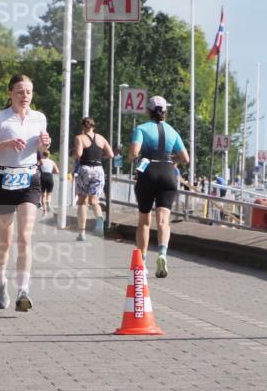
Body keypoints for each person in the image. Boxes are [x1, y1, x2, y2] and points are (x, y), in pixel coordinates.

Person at [0, 75, 51, 312]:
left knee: (25, 238)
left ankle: (23, 290)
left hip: (29, 180)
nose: (25, 96)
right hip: (3, 180)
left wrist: (45, 144)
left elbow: (42, 150)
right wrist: (5, 144)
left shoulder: (39, 118)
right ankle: (0, 281)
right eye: (20, 91)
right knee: (5, 239)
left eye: (28, 91)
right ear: (10, 94)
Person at [129, 95, 190, 278]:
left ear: (148, 111)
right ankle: (162, 254)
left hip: (148, 171)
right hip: (168, 173)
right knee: (163, 220)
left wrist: (134, 157)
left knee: (144, 220)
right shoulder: (172, 131)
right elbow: (185, 158)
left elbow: (134, 152)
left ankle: (142, 262)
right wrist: (171, 160)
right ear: (165, 111)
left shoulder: (141, 128)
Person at [73, 117, 114, 241]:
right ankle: (99, 217)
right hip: (98, 170)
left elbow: (79, 154)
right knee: (94, 201)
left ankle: (82, 233)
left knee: (82, 201)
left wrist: (73, 154)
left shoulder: (79, 138)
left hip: (85, 169)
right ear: (94, 126)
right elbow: (111, 154)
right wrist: (100, 156)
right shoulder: (101, 138)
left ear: (82, 126)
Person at [39, 151, 58, 216]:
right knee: (49, 193)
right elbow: (57, 171)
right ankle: (48, 202)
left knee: (43, 195)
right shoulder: (52, 162)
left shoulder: (41, 161)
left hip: (43, 176)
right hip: (50, 176)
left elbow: (36, 168)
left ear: (42, 155)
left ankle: (44, 211)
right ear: (49, 155)